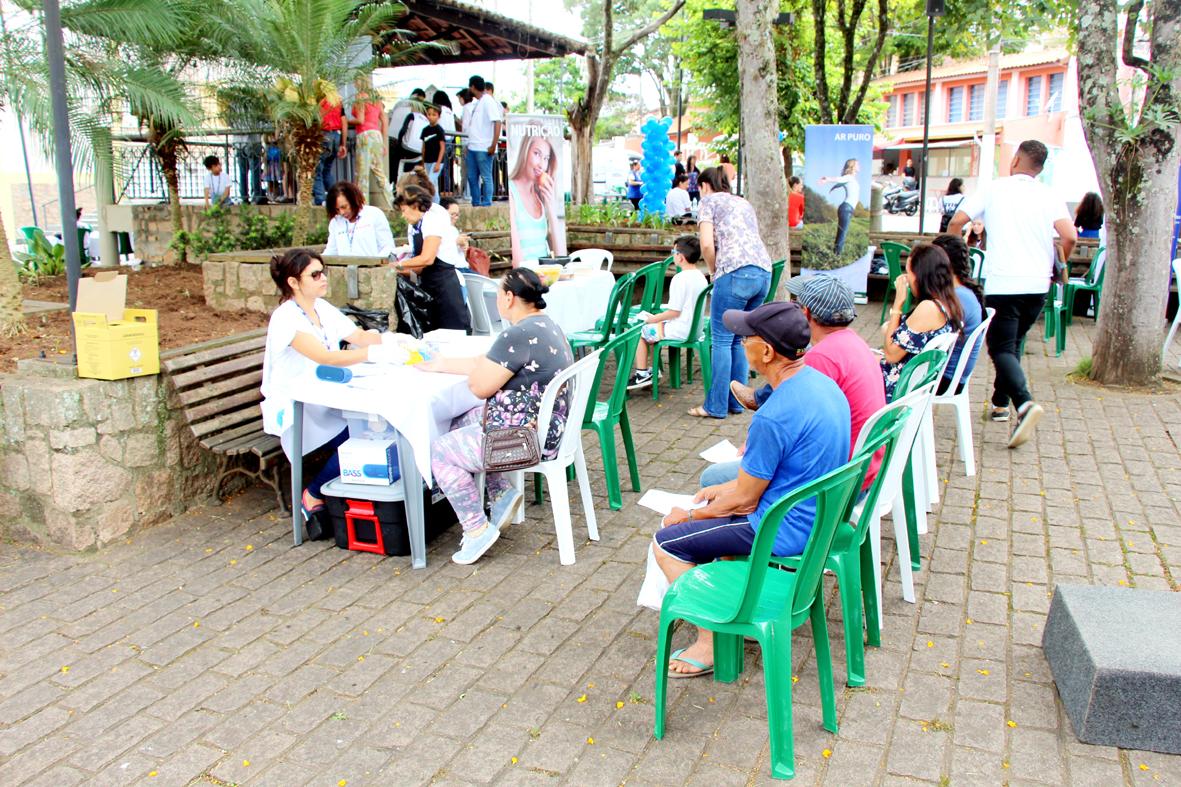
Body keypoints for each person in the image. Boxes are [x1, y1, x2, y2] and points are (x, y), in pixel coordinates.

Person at [654, 301, 850, 677]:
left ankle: (710, 640)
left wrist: (690, 515)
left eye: (746, 338)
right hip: (813, 515)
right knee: (715, 507)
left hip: (781, 528)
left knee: (668, 540)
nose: (741, 343)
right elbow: (772, 475)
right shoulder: (821, 385)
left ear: (766, 351)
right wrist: (728, 488)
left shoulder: (773, 416)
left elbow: (745, 500)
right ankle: (732, 608)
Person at [421, 268, 573, 564]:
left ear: (508, 297)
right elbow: (488, 362)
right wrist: (439, 364)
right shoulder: (544, 325)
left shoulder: (516, 334)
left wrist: (475, 374)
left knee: (439, 451)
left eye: (497, 295)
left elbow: (479, 386)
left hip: (525, 440)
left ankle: (476, 530)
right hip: (545, 426)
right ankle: (501, 493)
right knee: (459, 420)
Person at [948, 139, 1076, 447]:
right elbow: (1069, 235)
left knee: (1001, 348)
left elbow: (957, 221)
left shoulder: (995, 189)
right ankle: (1000, 404)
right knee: (1014, 341)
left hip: (1004, 283)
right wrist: (1061, 261)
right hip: (1038, 285)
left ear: (1016, 159)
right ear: (1040, 168)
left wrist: (953, 258)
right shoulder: (1049, 195)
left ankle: (1024, 403)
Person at [721, 275, 887, 494]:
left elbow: (789, 418)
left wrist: (757, 447)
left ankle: (736, 524)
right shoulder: (852, 340)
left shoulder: (822, 358)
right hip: (864, 465)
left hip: (840, 480)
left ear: (805, 313)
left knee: (716, 477)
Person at [259, 248, 384, 531]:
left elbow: (358, 336)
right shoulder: (285, 318)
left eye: (323, 271)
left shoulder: (321, 307)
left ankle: (352, 490)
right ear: (294, 282)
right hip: (296, 405)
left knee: (375, 427)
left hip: (325, 393)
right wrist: (374, 354)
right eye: (315, 274)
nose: (323, 278)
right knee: (365, 436)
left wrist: (394, 343)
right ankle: (314, 493)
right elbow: (326, 357)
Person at [689, 167, 773, 419]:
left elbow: (705, 244)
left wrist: (715, 271)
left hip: (734, 272)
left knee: (722, 340)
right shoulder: (742, 202)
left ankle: (714, 406)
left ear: (704, 185)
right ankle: (737, 402)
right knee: (739, 339)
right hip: (763, 272)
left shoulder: (708, 202)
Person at [880, 243, 963, 401]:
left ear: (920, 275)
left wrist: (898, 303)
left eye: (908, 272)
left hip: (899, 384)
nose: (907, 279)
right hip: (912, 378)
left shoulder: (928, 308)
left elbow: (891, 355)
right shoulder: (948, 303)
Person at [628, 236, 709, 389]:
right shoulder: (700, 276)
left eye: (674, 251)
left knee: (639, 332)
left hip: (680, 329)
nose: (672, 255)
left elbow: (674, 312)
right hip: (695, 329)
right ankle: (653, 370)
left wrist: (653, 318)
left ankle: (641, 374)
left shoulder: (679, 278)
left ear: (680, 256)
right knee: (654, 330)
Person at [394, 185, 471, 331]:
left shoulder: (433, 217)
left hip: (445, 287)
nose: (403, 215)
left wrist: (398, 265)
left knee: (452, 335)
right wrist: (397, 271)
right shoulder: (414, 226)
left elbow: (427, 258)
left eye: (404, 210)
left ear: (415, 205)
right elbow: (418, 268)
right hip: (428, 286)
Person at [931, 234, 985, 395]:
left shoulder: (956, 298)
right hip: (954, 376)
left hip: (944, 379)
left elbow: (919, 340)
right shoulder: (964, 292)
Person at [508, 127, 566, 263]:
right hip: (527, 278)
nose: (541, 165)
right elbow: (518, 264)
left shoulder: (540, 194)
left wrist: (551, 208)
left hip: (546, 273)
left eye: (546, 158)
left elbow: (562, 257)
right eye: (537, 154)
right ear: (525, 152)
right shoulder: (511, 193)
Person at [323, 181, 396, 258]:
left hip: (372, 267)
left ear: (353, 200)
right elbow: (331, 251)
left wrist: (376, 264)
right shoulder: (336, 222)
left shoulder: (374, 214)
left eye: (344, 207)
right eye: (337, 209)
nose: (342, 212)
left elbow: (387, 247)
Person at [351, 79, 390, 211]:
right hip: (377, 136)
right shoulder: (377, 100)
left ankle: (363, 207)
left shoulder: (360, 97)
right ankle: (391, 202)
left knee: (363, 173)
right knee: (380, 172)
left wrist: (345, 122)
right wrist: (384, 143)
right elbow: (384, 121)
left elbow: (360, 119)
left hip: (364, 135)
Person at [465, 75, 504, 207]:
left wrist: (493, 144)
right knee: (471, 177)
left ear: (472, 87)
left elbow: (497, 121)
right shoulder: (478, 102)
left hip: (484, 147)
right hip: (473, 146)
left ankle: (487, 203)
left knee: (486, 177)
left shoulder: (488, 101)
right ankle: (476, 202)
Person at [819, 158, 861, 255]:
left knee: (842, 232)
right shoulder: (849, 177)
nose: (859, 166)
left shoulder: (851, 178)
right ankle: (837, 255)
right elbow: (840, 179)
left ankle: (836, 253)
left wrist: (833, 188)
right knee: (843, 233)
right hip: (846, 208)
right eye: (857, 165)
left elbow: (840, 183)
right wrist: (827, 179)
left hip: (848, 208)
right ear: (852, 166)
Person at [313, 96, 348, 206]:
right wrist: (343, 144)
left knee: (316, 170)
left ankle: (320, 199)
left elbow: (318, 118)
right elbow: (344, 123)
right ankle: (338, 197)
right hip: (336, 135)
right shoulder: (338, 102)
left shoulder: (321, 101)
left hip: (324, 135)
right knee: (326, 170)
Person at [388, 87, 426, 181]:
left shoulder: (399, 104)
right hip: (406, 145)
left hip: (391, 138)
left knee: (393, 165)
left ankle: (392, 184)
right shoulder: (416, 114)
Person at [420, 104, 447, 203]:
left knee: (430, 181)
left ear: (438, 116)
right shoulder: (425, 130)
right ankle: (436, 203)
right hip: (427, 161)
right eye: (429, 114)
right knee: (433, 183)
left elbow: (442, 147)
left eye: (434, 115)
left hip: (437, 161)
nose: (431, 117)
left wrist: (438, 163)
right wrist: (422, 162)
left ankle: (433, 202)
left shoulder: (439, 130)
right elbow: (423, 147)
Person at [433, 90, 458, 196]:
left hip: (441, 141)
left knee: (439, 166)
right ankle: (447, 190)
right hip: (450, 141)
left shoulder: (438, 110)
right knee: (447, 168)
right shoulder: (450, 111)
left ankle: (440, 190)